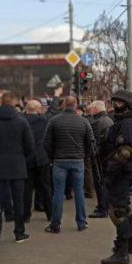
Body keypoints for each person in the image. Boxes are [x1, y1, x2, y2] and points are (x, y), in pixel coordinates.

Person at [0, 93, 34, 243]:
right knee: (19, 200)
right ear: (14, 104)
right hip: (17, 165)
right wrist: (20, 156)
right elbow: (30, 146)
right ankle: (19, 232)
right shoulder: (22, 122)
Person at [101, 90, 132, 264]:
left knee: (118, 211)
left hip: (121, 172)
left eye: (119, 103)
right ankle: (131, 243)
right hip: (123, 171)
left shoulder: (128, 124)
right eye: (114, 102)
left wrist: (110, 172)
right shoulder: (125, 121)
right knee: (124, 207)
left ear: (128, 104)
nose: (115, 106)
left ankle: (122, 251)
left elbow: (124, 152)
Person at [43, 96, 94, 233]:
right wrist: (85, 156)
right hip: (78, 160)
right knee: (79, 192)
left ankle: (55, 224)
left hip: (59, 160)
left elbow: (46, 142)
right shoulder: (83, 121)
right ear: (76, 105)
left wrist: (52, 155)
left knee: (58, 193)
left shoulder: (54, 120)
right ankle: (81, 222)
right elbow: (90, 142)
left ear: (64, 105)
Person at [24, 99, 52, 222]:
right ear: (38, 109)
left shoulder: (22, 121)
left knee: (27, 188)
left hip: (27, 158)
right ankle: (50, 214)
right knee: (46, 187)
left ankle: (26, 215)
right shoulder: (45, 121)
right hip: (42, 157)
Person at [88, 100, 114, 219]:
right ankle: (105, 205)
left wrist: (95, 153)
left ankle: (102, 208)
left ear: (96, 109)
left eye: (91, 108)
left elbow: (96, 141)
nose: (90, 111)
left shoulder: (97, 122)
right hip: (107, 156)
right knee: (104, 182)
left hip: (100, 157)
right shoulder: (108, 120)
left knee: (100, 182)